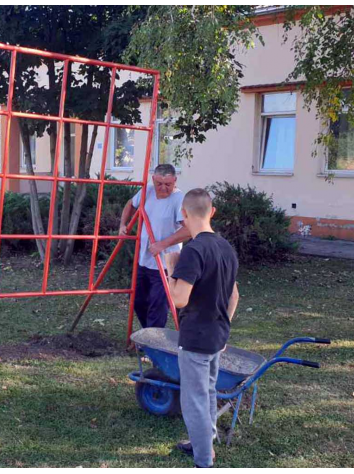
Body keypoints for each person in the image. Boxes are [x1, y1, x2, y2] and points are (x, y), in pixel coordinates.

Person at [164, 188, 240, 468]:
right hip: (217, 336)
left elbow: (179, 298)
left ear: (184, 214)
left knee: (194, 400)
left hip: (196, 338)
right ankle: (204, 443)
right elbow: (234, 296)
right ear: (212, 212)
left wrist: (171, 268)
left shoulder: (193, 251)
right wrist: (224, 326)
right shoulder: (225, 247)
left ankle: (204, 461)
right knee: (207, 392)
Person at [118, 164, 190, 329]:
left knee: (157, 307)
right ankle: (148, 336)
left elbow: (189, 230)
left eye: (168, 184)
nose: (163, 188)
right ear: (153, 180)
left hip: (165, 264)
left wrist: (162, 244)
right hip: (144, 260)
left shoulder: (179, 199)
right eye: (159, 184)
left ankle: (153, 346)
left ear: (175, 181)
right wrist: (123, 224)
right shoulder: (147, 192)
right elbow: (130, 204)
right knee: (137, 301)